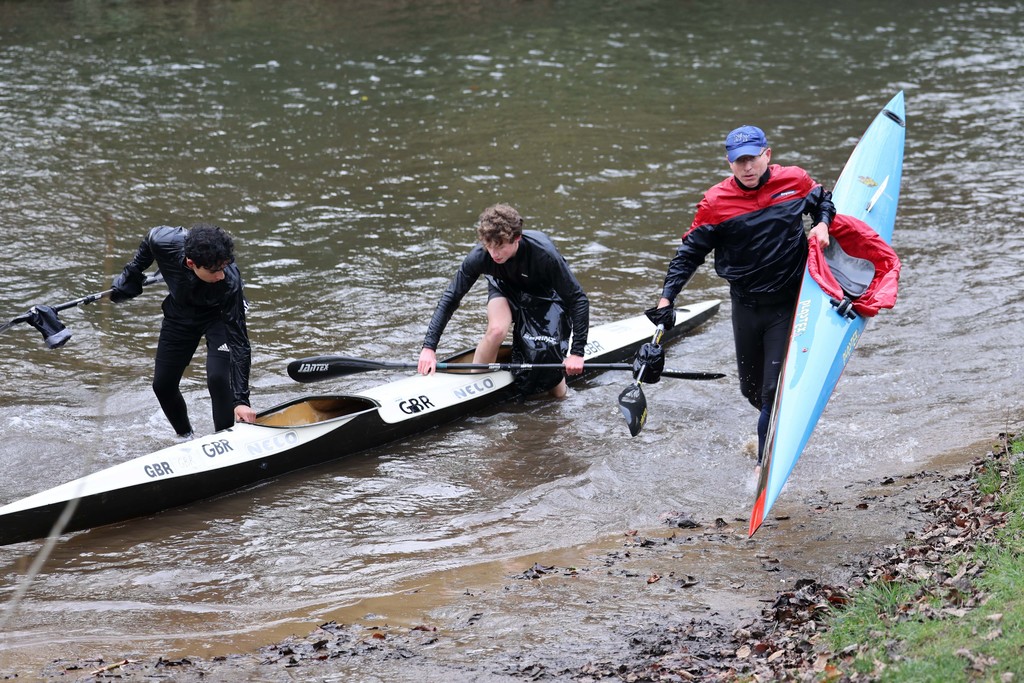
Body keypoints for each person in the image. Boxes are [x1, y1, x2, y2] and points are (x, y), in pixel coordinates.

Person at [652, 125, 836, 472]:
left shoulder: (793, 181)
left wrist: (823, 223)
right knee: (751, 392)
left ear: (767, 155)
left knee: (770, 391)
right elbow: (688, 255)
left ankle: (765, 469)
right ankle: (779, 425)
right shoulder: (715, 203)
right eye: (739, 162)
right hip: (746, 306)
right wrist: (666, 299)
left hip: (790, 301)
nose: (747, 168)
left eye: (753, 158)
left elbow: (823, 199)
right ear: (729, 163)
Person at [417, 204, 590, 398]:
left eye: (499, 247)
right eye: (489, 246)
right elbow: (451, 298)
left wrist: (577, 353)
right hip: (504, 289)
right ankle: (476, 389)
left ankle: (562, 397)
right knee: (496, 330)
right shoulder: (481, 256)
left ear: (517, 238)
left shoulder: (545, 255)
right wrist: (429, 348)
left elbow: (578, 299)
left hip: (543, 296)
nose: (494, 254)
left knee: (551, 372)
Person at [110, 223, 257, 438]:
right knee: (163, 385)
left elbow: (240, 343)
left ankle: (226, 439)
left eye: (224, 267)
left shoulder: (229, 282)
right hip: (180, 314)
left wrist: (241, 401)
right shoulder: (165, 241)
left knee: (218, 377)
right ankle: (186, 437)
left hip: (219, 316)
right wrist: (133, 273)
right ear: (191, 263)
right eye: (214, 271)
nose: (221, 275)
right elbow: (150, 239)